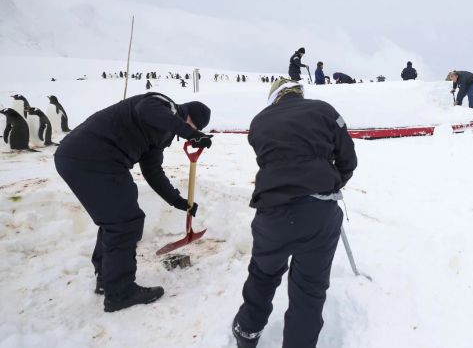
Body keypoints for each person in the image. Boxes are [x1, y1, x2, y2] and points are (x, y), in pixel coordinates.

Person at [54, 93, 213, 312]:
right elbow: (146, 110)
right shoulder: (161, 104)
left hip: (84, 159)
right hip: (92, 156)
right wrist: (192, 134)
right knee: (125, 222)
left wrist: (178, 201)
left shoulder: (162, 133)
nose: (184, 137)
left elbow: (153, 171)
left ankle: (107, 278)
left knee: (116, 221)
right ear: (189, 118)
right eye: (190, 128)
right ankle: (120, 292)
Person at [232, 79, 357, 348]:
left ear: (274, 97)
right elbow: (348, 158)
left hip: (272, 212)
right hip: (318, 212)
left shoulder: (259, 122)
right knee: (309, 288)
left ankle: (246, 331)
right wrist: (334, 180)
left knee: (263, 273)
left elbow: (269, 158)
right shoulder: (324, 110)